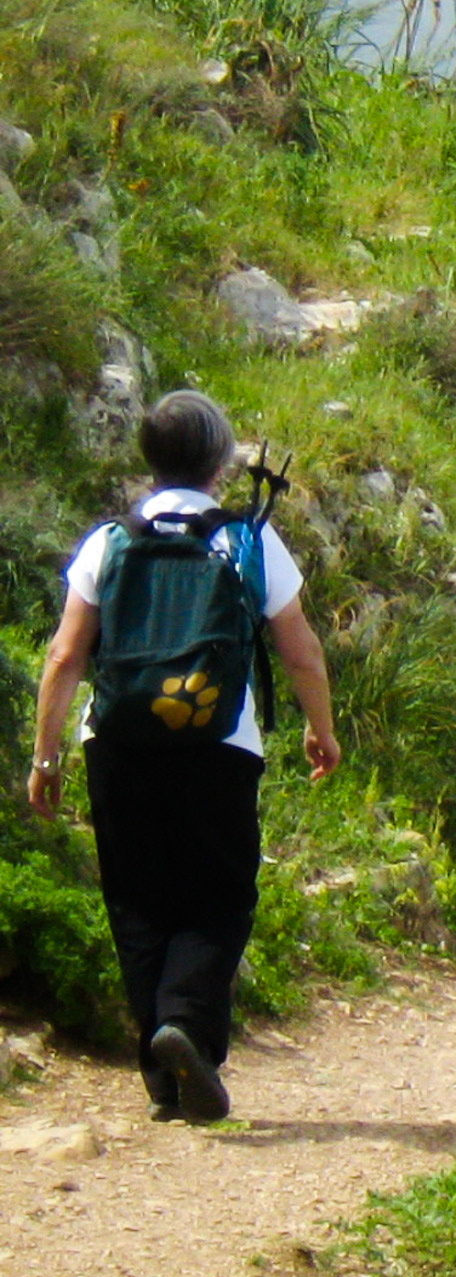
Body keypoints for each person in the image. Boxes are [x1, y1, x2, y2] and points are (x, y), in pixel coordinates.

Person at [26, 391, 341, 1123]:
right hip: (218, 745)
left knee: (138, 904)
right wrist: (318, 727)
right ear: (219, 463)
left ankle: (164, 1077)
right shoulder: (247, 541)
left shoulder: (108, 541)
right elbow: (301, 652)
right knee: (219, 895)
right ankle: (187, 1029)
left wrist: (46, 756)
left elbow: (66, 655)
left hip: (117, 742)